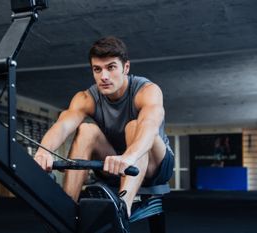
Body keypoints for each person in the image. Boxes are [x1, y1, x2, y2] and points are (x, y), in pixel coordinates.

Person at [34, 36, 174, 230]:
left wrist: (129, 156)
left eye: (111, 67)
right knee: (86, 130)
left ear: (125, 68)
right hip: (115, 165)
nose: (104, 76)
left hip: (155, 166)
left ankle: (121, 211)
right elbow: (63, 125)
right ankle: (66, 210)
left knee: (134, 126)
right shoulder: (87, 97)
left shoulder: (146, 90)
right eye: (97, 69)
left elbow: (150, 125)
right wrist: (44, 151)